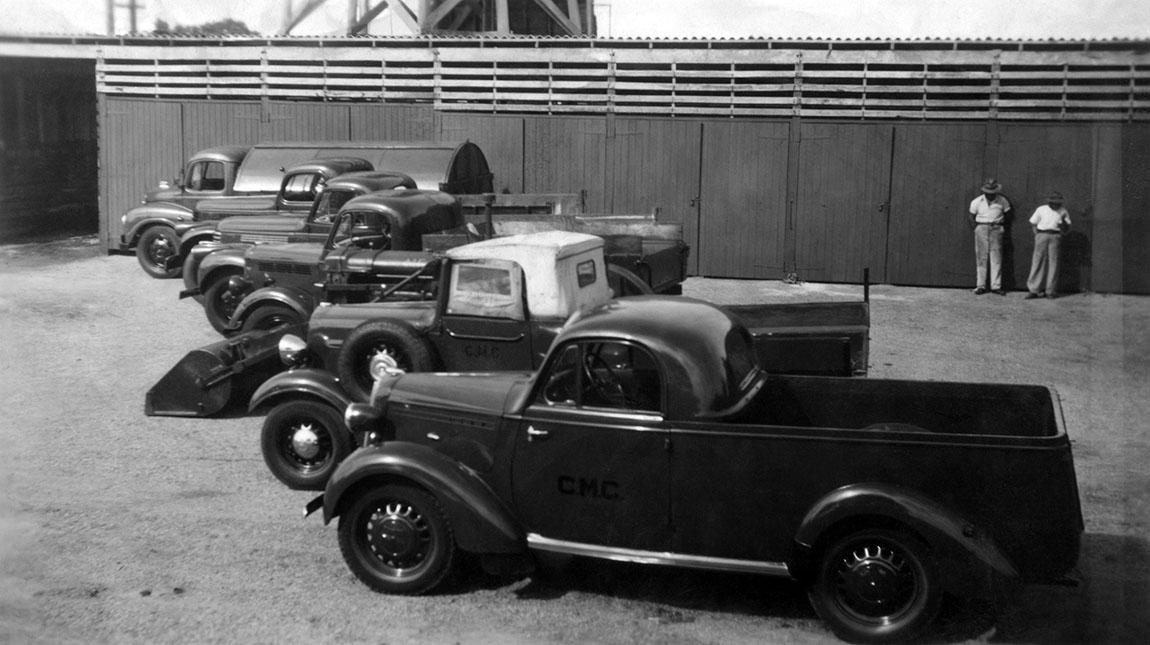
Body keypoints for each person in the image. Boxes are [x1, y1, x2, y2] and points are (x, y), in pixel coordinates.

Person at [1025, 191, 1072, 299]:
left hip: (1055, 236)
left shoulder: (1063, 211)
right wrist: (1037, 235)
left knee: (1053, 263)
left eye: (1058, 203)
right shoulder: (1041, 209)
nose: (1055, 205)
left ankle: (1050, 291)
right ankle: (1034, 290)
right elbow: (1033, 223)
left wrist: (1063, 224)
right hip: (1042, 234)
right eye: (1053, 202)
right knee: (1038, 261)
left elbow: (1067, 227)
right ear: (1049, 202)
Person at [968, 178, 1011, 295]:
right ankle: (980, 286)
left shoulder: (1002, 201)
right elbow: (971, 217)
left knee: (996, 257)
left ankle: (996, 286)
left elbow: (1008, 215)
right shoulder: (977, 201)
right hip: (981, 227)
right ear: (984, 191)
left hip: (996, 228)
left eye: (993, 192)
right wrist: (977, 228)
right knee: (981, 257)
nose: (990, 195)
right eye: (988, 192)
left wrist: (1001, 227)